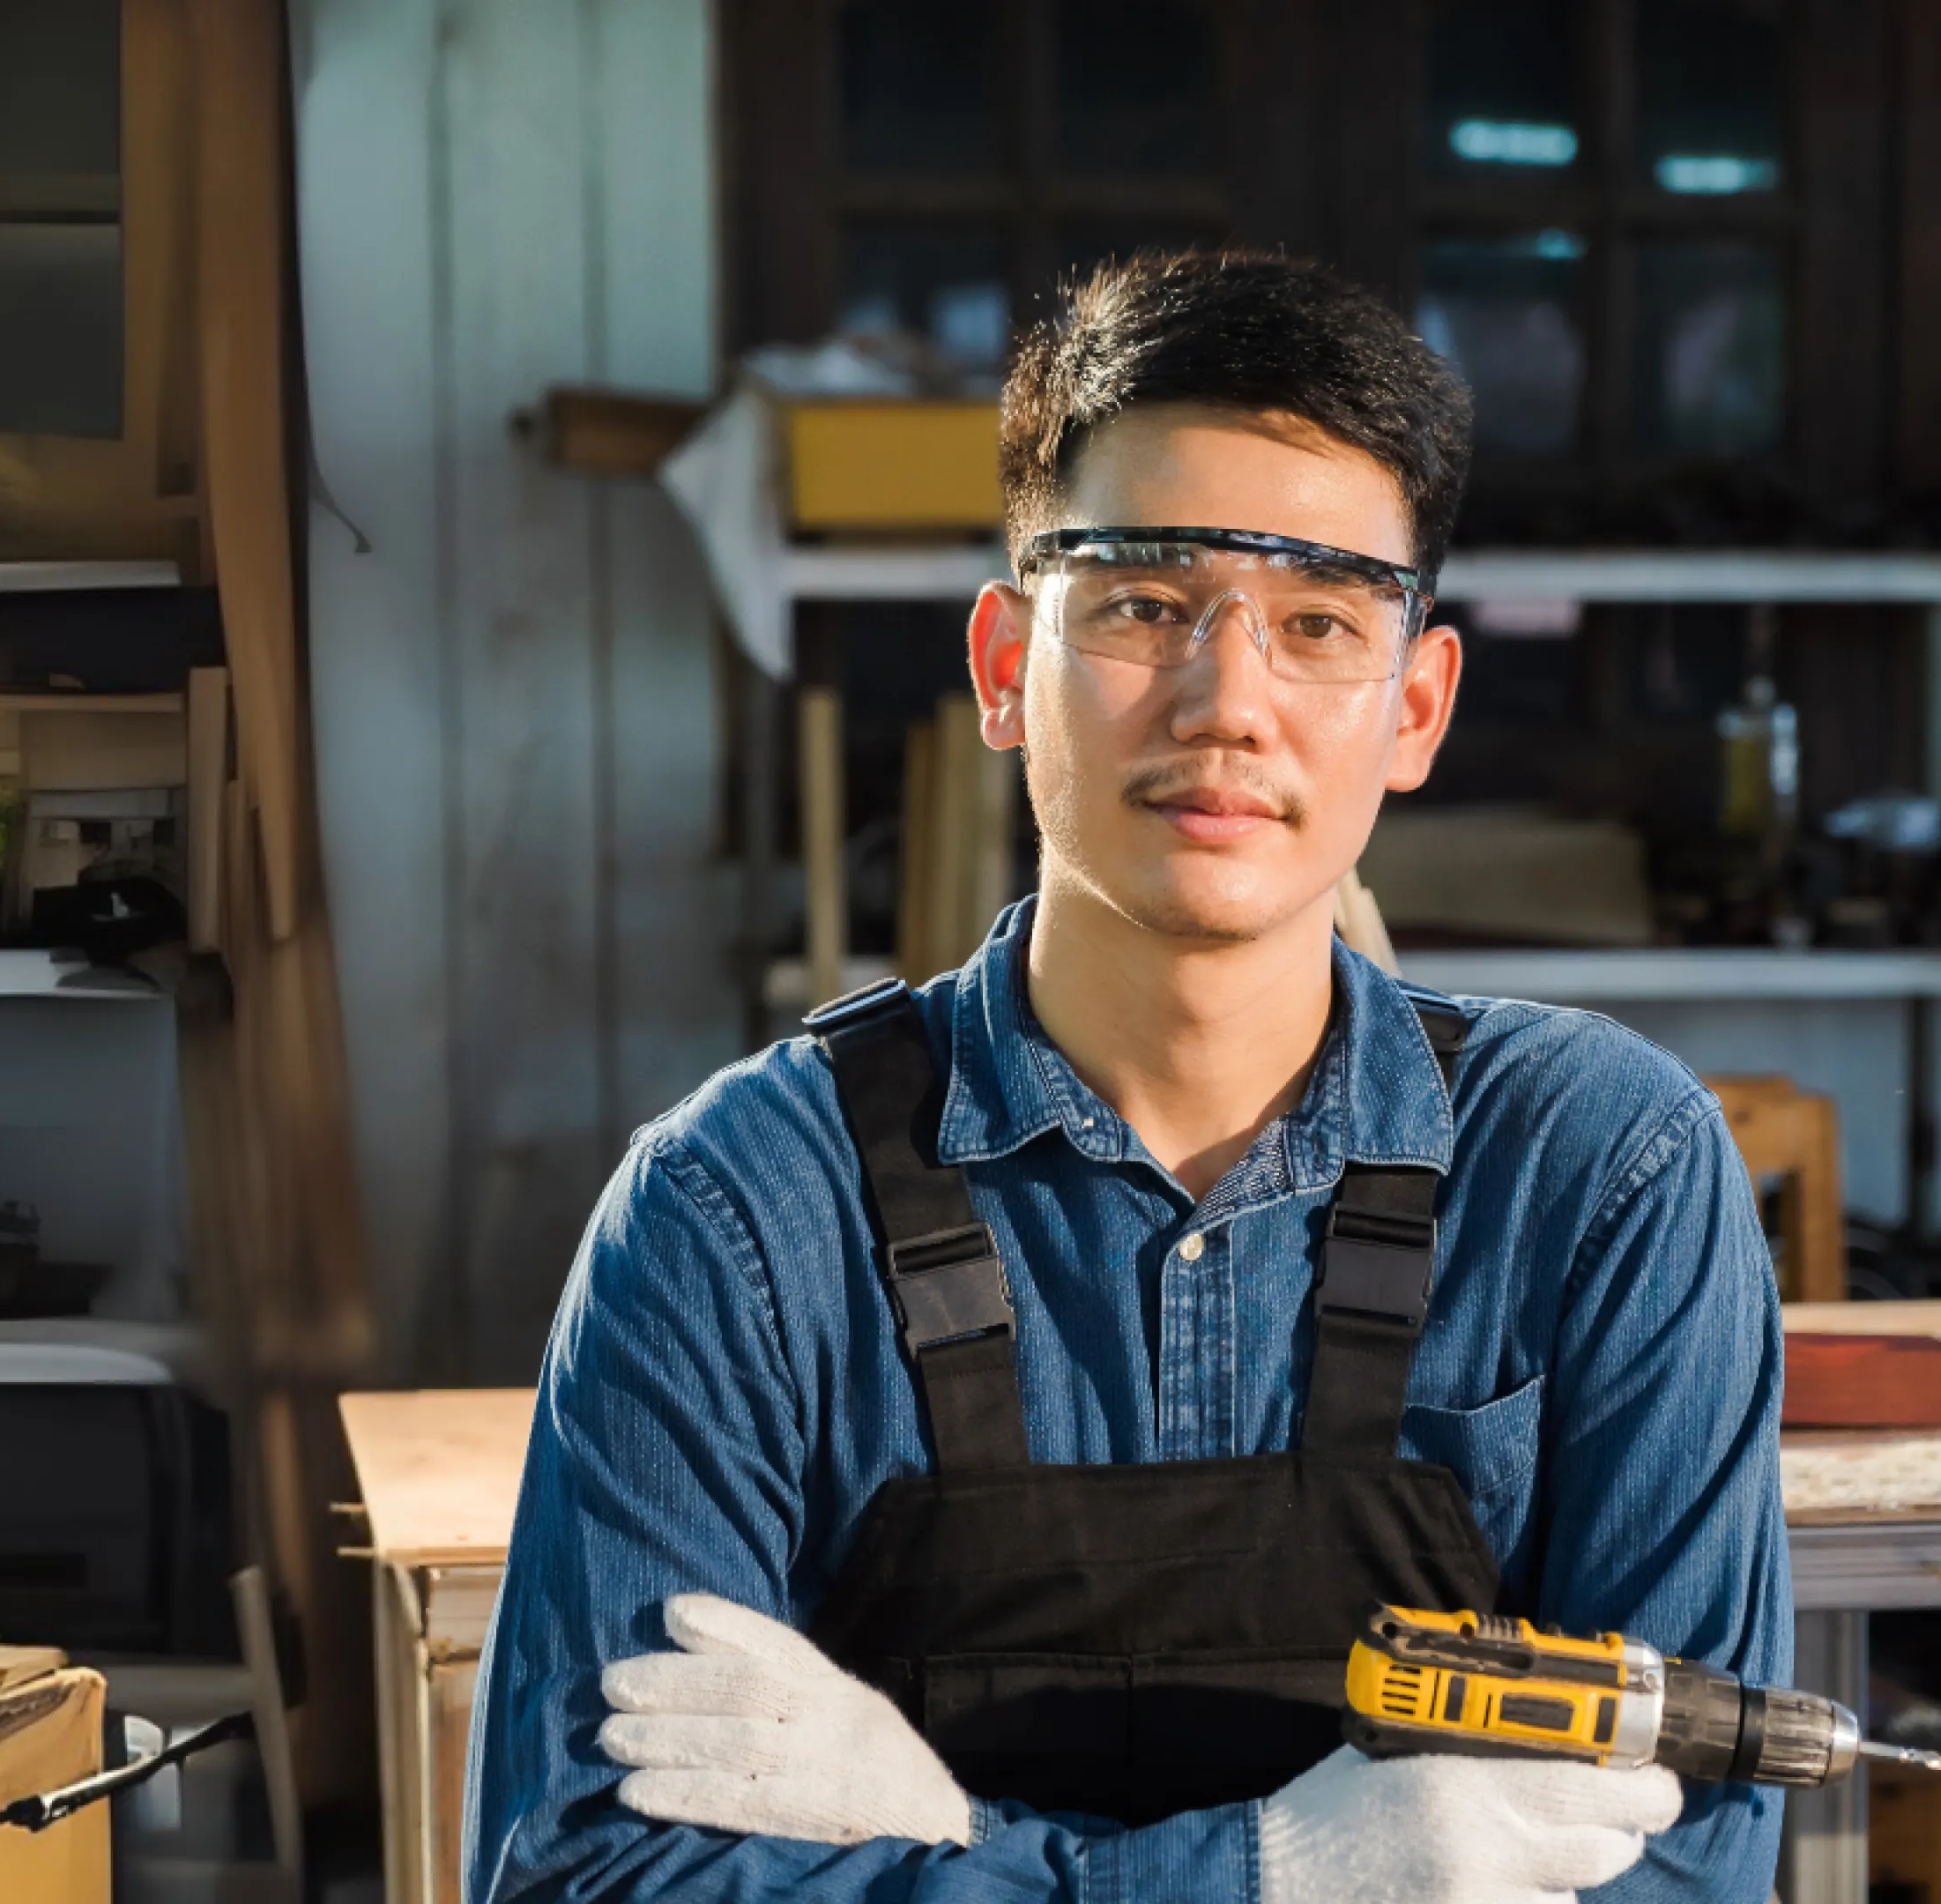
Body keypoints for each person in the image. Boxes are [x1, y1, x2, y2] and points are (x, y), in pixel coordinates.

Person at [461, 251, 1787, 1904]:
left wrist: (947, 1840)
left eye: (1319, 623)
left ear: (1416, 708)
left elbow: (1686, 1868)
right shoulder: (737, 1211)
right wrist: (1276, 1874)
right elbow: (585, 1875)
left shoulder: (1603, 1173)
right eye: (1146, 606)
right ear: (1003, 664)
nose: (1229, 703)